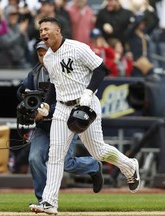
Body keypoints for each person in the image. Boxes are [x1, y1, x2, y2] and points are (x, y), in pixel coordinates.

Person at [29, 17, 140, 215]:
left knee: (98, 152)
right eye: (40, 31)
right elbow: (54, 84)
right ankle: (49, 202)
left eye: (46, 29)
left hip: (85, 105)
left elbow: (101, 69)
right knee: (55, 155)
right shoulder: (48, 57)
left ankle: (129, 165)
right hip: (63, 107)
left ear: (58, 30)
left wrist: (88, 93)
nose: (43, 33)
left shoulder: (77, 47)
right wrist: (46, 104)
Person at [17, 40, 104, 202]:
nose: (43, 58)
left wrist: (47, 110)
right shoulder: (35, 74)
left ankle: (92, 165)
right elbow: (22, 93)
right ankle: (44, 199)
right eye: (40, 54)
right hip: (43, 127)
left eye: (46, 53)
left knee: (65, 162)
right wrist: (26, 98)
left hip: (65, 123)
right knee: (34, 159)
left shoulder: (65, 70)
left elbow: (69, 100)